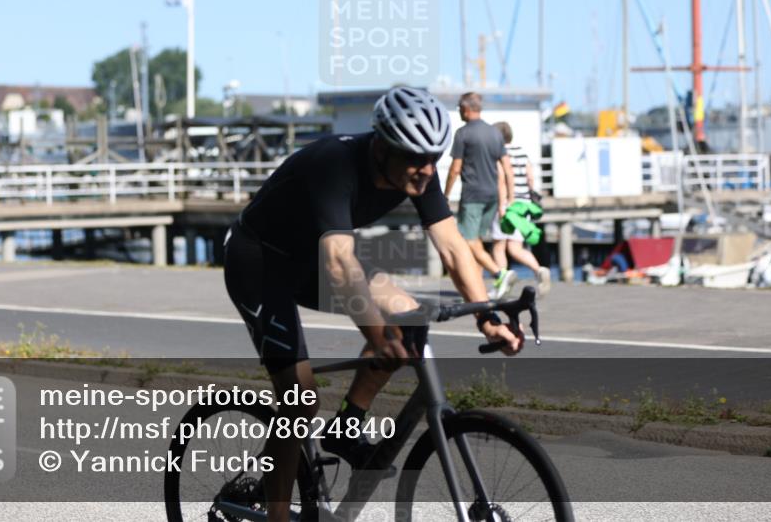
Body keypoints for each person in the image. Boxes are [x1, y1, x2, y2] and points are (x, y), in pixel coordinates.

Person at [223, 86, 524, 522]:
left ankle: (347, 428)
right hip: (259, 262)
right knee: (299, 398)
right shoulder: (334, 165)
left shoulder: (419, 169)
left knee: (411, 318)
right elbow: (341, 263)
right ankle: (276, 516)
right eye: (415, 158)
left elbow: (455, 249)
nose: (425, 170)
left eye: (433, 158)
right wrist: (378, 335)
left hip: (313, 259)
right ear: (382, 146)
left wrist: (488, 317)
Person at [443, 92, 517, 300]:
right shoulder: (494, 133)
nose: (458, 112)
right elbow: (507, 167)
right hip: (492, 196)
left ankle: (500, 273)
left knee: (468, 242)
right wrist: (509, 198)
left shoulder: (463, 133)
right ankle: (477, 290)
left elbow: (455, 169)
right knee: (477, 243)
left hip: (473, 195)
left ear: (466, 109)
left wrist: (445, 194)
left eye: (459, 108)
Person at [490, 121, 551, 295]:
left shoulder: (501, 154)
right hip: (524, 205)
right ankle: (539, 270)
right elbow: (530, 178)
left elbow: (501, 179)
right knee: (516, 248)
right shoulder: (522, 153)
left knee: (499, 246)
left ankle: (501, 284)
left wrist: (503, 203)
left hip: (508, 205)